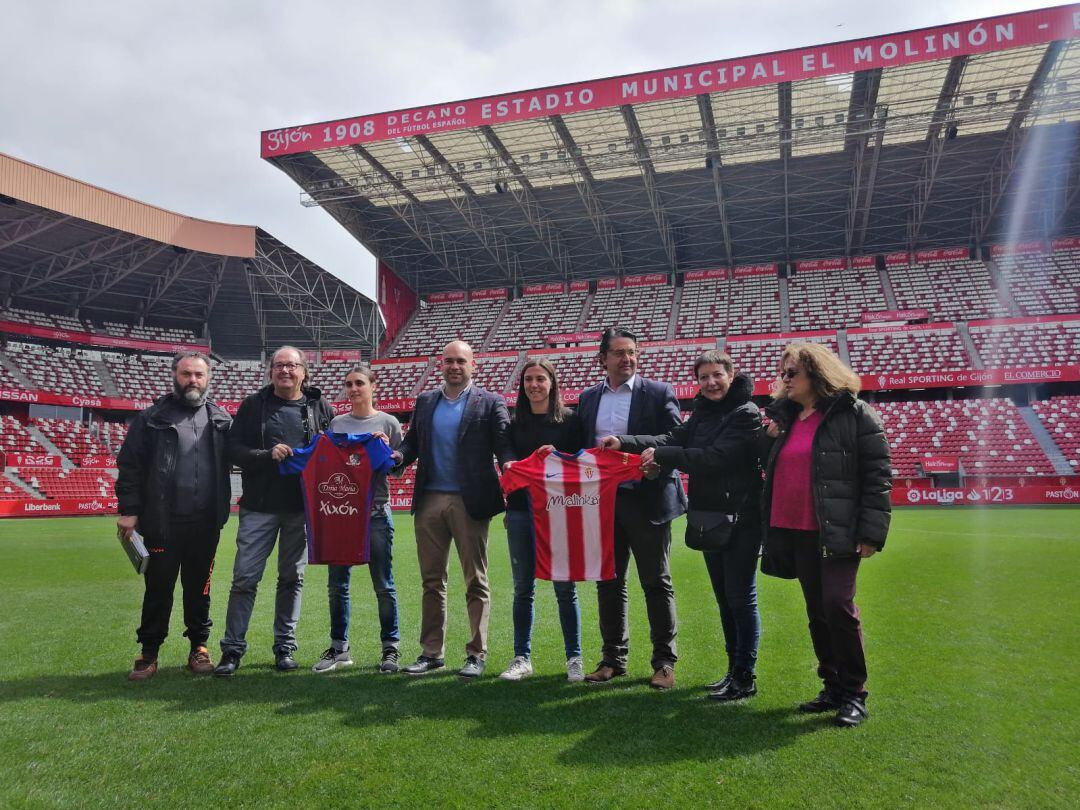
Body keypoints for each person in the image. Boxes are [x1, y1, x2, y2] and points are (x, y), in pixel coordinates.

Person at [607, 350, 763, 700]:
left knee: (741, 600)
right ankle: (733, 671)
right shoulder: (703, 414)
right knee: (726, 601)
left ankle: (745, 676)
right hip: (711, 520)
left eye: (716, 375)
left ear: (731, 374)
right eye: (704, 377)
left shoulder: (746, 413)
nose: (710, 383)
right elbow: (669, 439)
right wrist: (626, 443)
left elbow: (714, 458)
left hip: (741, 520)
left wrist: (664, 456)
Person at [761, 342, 891, 728]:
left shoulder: (853, 414)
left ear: (816, 374)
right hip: (794, 529)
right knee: (817, 611)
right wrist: (767, 437)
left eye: (791, 373)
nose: (783, 380)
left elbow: (877, 475)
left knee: (838, 606)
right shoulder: (784, 418)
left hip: (836, 530)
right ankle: (832, 685)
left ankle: (855, 692)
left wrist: (870, 533)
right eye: (783, 373)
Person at [214, 346, 335, 676]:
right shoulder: (254, 405)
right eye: (279, 365)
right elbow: (233, 449)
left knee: (291, 579)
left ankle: (285, 647)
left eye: (292, 365)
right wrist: (266, 454)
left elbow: (337, 446)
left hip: (301, 508)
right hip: (259, 506)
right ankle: (232, 650)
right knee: (244, 578)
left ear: (303, 371)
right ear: (271, 371)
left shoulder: (319, 405)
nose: (285, 371)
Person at [396, 340, 513, 678]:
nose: (453, 366)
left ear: (472, 365)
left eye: (460, 361)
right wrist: (399, 456)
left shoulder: (490, 402)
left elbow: (503, 445)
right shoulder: (426, 400)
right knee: (432, 581)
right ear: (440, 365)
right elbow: (412, 443)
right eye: (448, 361)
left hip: (470, 500)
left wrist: (510, 467)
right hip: (430, 498)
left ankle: (476, 654)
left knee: (475, 580)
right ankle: (432, 653)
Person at [115, 352, 233, 681]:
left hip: (206, 523)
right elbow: (130, 466)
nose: (192, 380)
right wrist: (128, 510)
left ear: (208, 378)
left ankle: (199, 647)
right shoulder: (152, 418)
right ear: (174, 376)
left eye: (198, 374)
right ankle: (148, 653)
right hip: (162, 523)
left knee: (200, 589)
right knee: (158, 589)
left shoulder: (221, 419)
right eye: (186, 374)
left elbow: (244, 456)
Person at [584, 327, 686, 689]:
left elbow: (676, 438)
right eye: (618, 353)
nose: (626, 359)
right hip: (605, 503)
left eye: (631, 352)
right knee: (608, 583)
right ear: (603, 359)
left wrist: (625, 443)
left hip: (648, 500)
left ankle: (664, 663)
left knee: (656, 582)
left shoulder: (658, 393)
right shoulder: (588, 398)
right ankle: (613, 658)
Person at [311, 365, 404, 674]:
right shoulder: (337, 423)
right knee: (337, 585)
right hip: (342, 515)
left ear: (373, 386)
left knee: (383, 584)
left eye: (359, 383)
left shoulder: (388, 423)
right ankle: (339, 648)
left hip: (376, 512)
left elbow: (398, 470)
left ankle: (390, 648)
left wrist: (387, 450)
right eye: (349, 384)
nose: (353, 389)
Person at [499, 359, 585, 683]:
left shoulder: (571, 421)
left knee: (566, 587)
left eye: (540, 379)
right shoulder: (513, 423)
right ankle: (522, 657)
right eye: (528, 380)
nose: (534, 385)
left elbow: (583, 463)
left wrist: (559, 456)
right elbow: (507, 463)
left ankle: (574, 657)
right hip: (521, 512)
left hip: (560, 512)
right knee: (523, 588)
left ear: (552, 382)